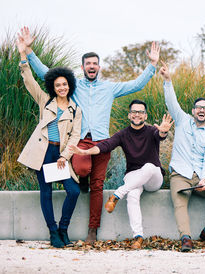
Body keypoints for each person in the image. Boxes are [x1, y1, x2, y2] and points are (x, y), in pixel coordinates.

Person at [18, 26, 160, 243]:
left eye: (95, 64)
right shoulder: (74, 87)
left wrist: (151, 65)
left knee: (98, 186)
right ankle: (81, 178)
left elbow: (136, 85)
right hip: (80, 140)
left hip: (103, 141)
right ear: (83, 67)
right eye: (88, 64)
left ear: (99, 67)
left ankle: (93, 229)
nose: (91, 67)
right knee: (83, 168)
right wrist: (28, 51)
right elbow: (46, 73)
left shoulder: (109, 88)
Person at [69, 99, 173, 249]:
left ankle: (117, 195)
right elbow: (106, 145)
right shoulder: (123, 134)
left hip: (153, 178)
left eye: (141, 112)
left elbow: (160, 135)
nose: (137, 114)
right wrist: (85, 152)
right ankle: (138, 236)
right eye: (134, 112)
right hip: (133, 175)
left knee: (150, 167)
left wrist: (163, 131)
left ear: (145, 116)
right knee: (132, 195)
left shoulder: (151, 131)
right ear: (129, 115)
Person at [16, 35, 82, 248]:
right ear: (52, 87)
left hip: (61, 156)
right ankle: (53, 233)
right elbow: (29, 82)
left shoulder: (76, 109)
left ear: (69, 85)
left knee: (73, 191)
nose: (61, 87)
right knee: (46, 192)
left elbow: (75, 136)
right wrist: (22, 54)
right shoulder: (45, 101)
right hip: (43, 153)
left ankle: (64, 228)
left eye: (64, 84)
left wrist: (65, 156)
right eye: (57, 85)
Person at [159, 61, 205, 252]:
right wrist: (167, 80)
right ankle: (186, 238)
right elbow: (171, 102)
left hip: (200, 174)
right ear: (193, 110)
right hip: (180, 173)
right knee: (180, 201)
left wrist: (204, 179)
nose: (202, 110)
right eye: (199, 107)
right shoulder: (182, 121)